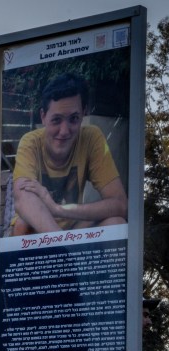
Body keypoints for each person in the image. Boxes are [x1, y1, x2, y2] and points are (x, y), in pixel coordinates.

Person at [10, 73, 127, 236]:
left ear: (83, 113)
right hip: (39, 232)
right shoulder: (30, 142)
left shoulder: (91, 138)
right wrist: (63, 244)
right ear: (43, 117)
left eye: (73, 119)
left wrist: (58, 209)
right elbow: (22, 200)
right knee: (22, 224)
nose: (64, 131)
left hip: (73, 227)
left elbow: (120, 204)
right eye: (56, 120)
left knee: (116, 223)